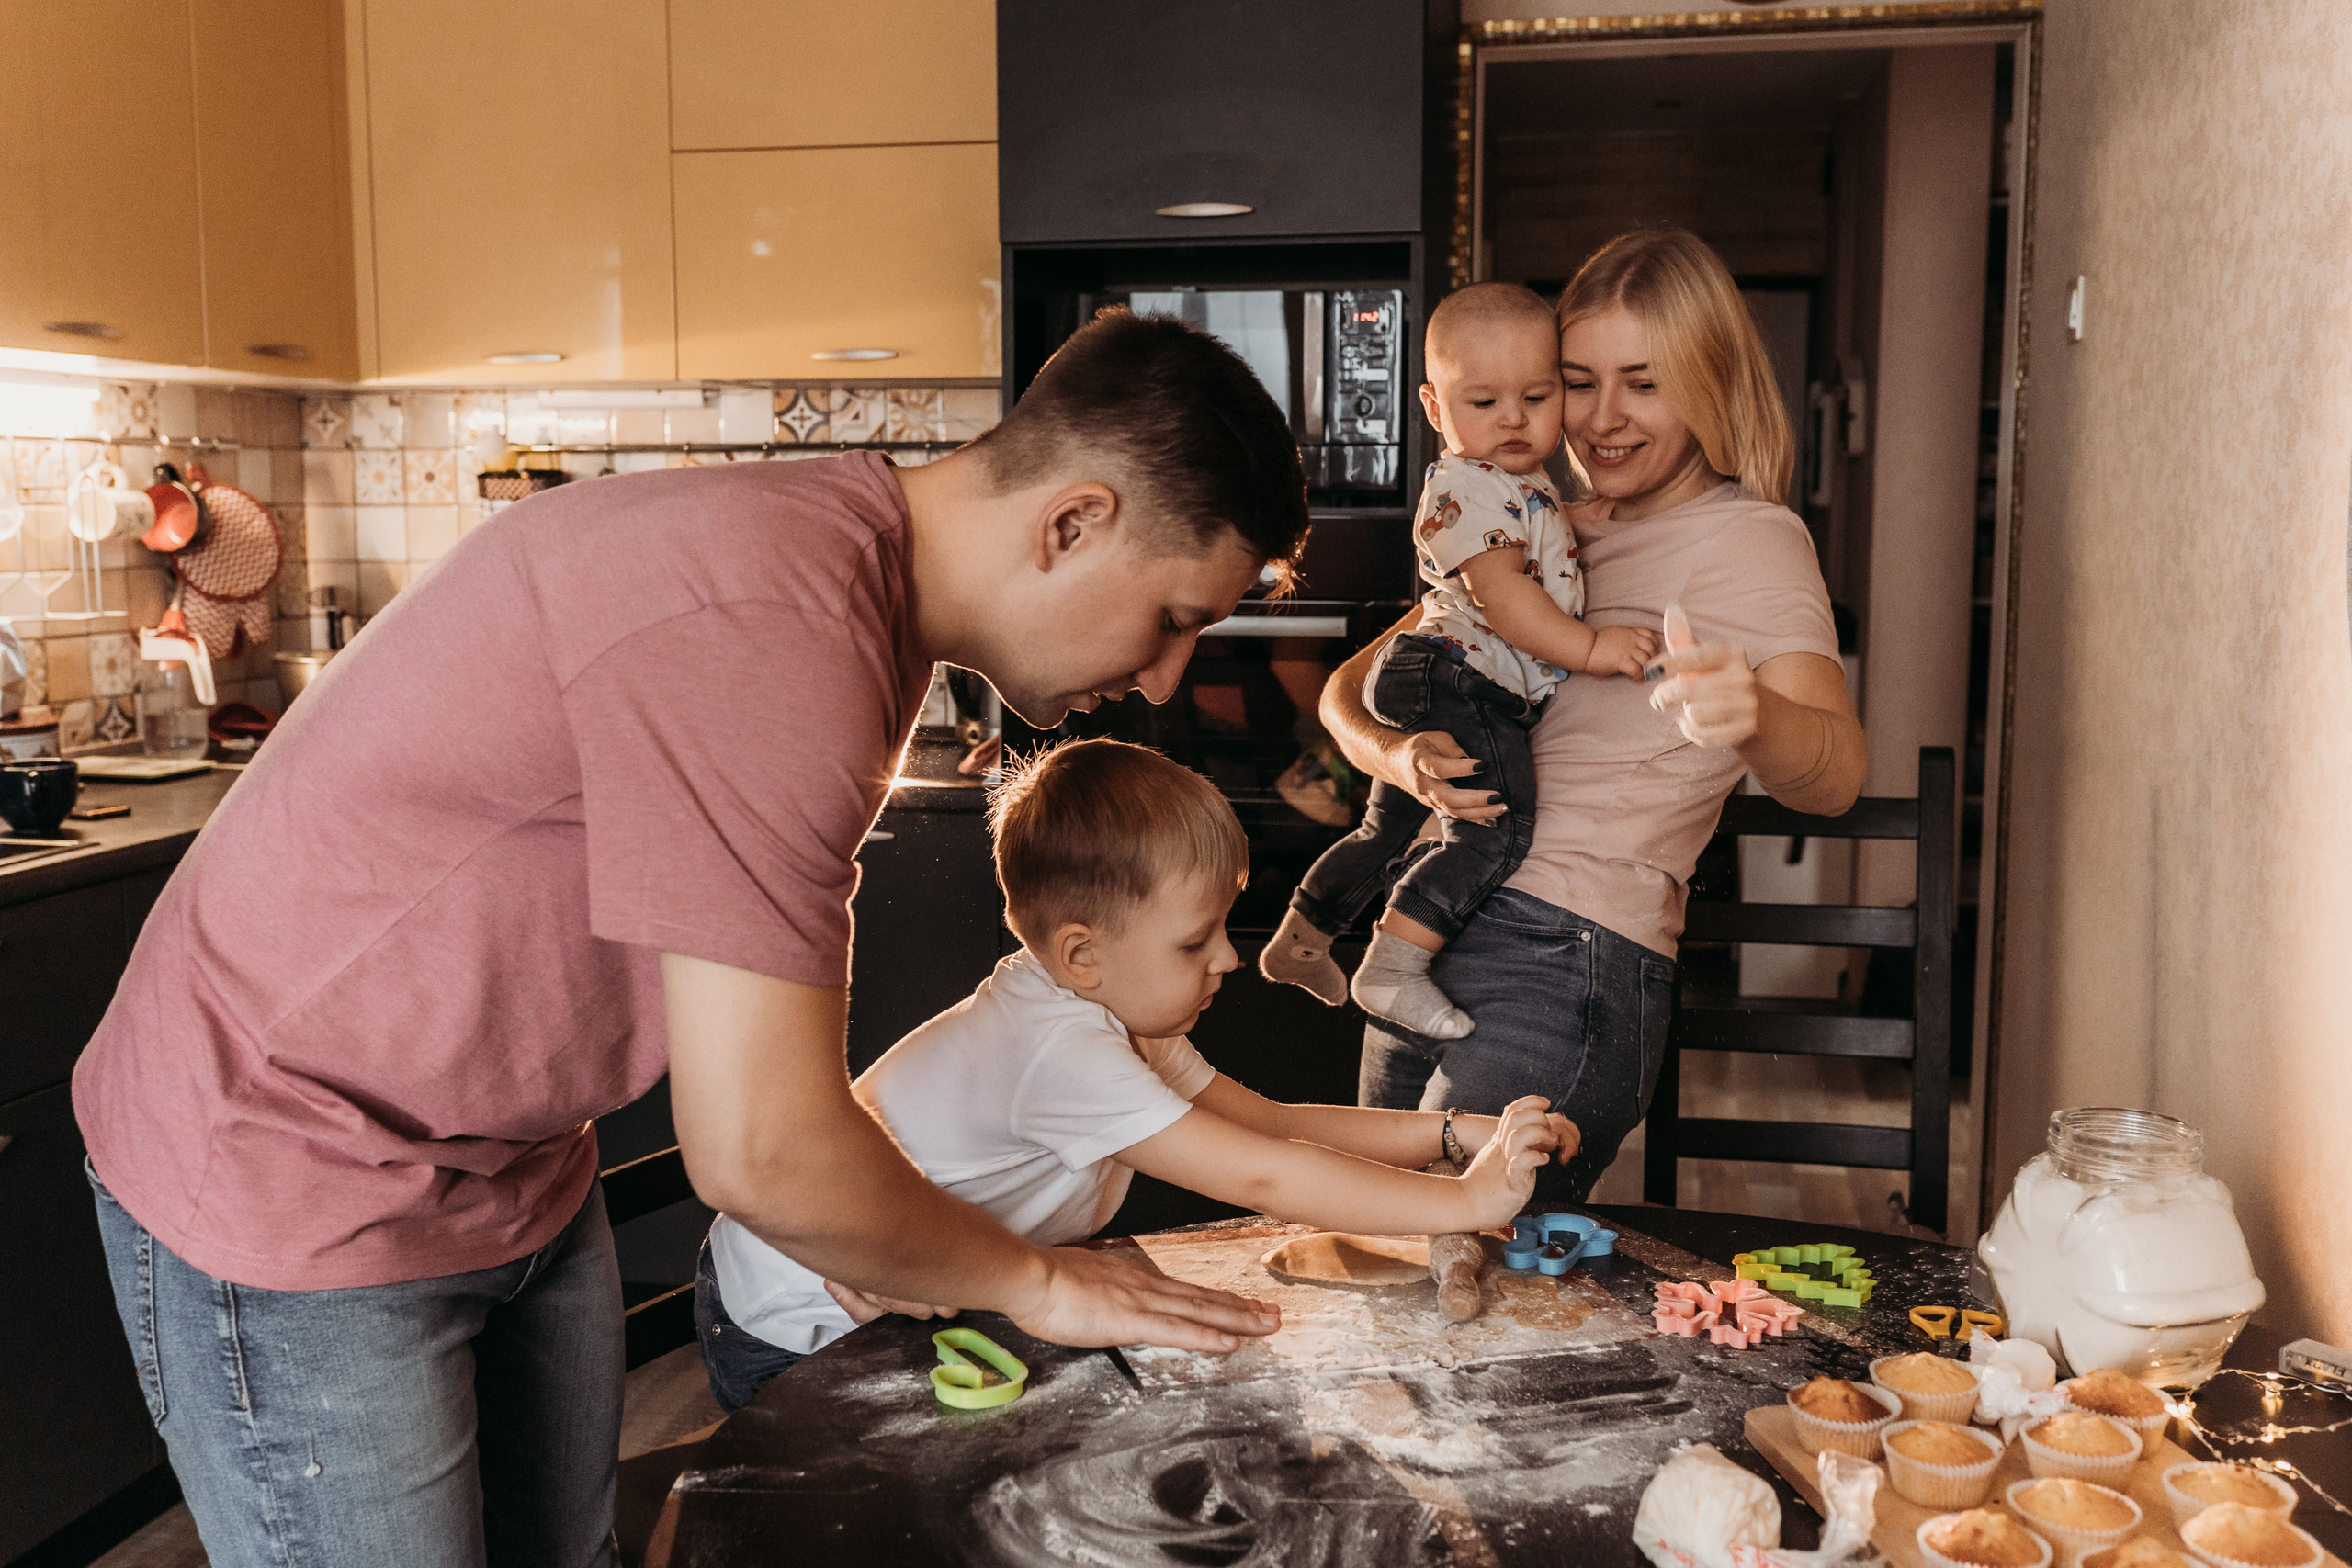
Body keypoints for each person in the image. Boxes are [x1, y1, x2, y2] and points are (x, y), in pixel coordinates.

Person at [70, 309, 1313, 1568]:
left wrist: (865, 1214)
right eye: (1174, 616)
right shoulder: (783, 619)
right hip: (294, 1154)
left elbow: (777, 1115)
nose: (1168, 679)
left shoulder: (851, 582)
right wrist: (1039, 1280)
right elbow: (763, 1150)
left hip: (505, 1160)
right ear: (1072, 521)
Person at [695, 739, 1576, 1411]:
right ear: (1083, 953)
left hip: (902, 1286)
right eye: (1196, 939)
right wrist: (1464, 1203)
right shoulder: (1061, 1048)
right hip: (795, 1311)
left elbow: (1268, 1125)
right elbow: (1265, 1176)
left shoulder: (1108, 1016)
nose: (1228, 959)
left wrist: (1465, 1133)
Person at [1317, 228, 1868, 1201]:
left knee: (1468, 1275)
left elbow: (1834, 776)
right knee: (1375, 1255)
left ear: (1709, 381)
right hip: (1429, 932)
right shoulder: (1528, 517)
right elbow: (1346, 689)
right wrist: (1395, 759)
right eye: (1578, 381)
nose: (1601, 419)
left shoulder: (1751, 539)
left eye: (1643, 383)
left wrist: (1751, 716)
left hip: (1565, 960)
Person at [1261, 282, 1657, 1039]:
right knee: (1493, 833)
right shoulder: (1468, 486)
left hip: (1428, 674)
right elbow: (1507, 598)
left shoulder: (1513, 482)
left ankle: (1303, 937)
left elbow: (1538, 541)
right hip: (1461, 683)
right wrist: (1594, 648)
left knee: (1388, 831)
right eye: (1484, 402)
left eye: (1536, 396)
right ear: (1436, 410)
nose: (1513, 417)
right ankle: (1393, 966)